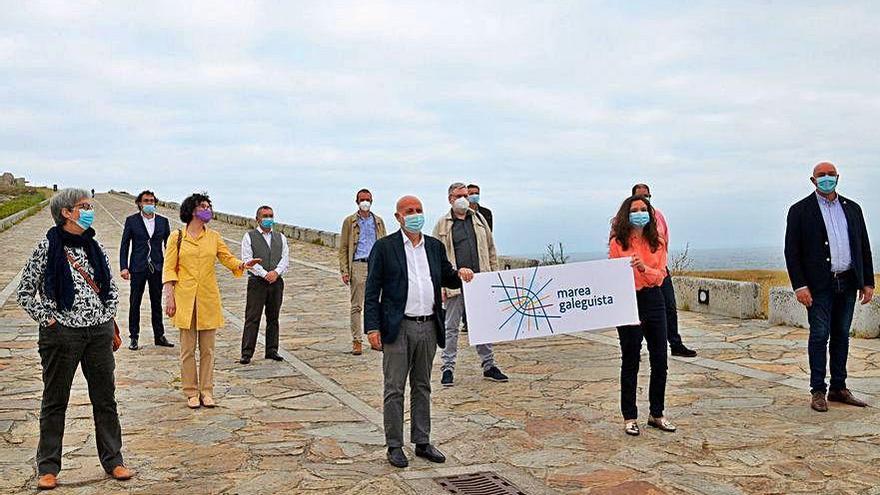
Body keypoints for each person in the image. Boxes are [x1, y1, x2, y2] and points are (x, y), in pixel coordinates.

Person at [17, 188, 132, 490]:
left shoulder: (95, 247)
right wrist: (50, 320)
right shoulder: (48, 246)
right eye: (83, 206)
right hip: (61, 334)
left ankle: (114, 460)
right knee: (55, 401)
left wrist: (107, 317)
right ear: (66, 212)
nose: (89, 209)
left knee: (105, 398)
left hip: (98, 333)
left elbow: (110, 288)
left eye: (89, 205)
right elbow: (25, 292)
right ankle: (48, 467)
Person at [364, 195, 474, 468]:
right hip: (397, 326)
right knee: (394, 388)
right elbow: (371, 290)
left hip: (428, 325)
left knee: (423, 386)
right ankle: (394, 445)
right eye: (409, 211)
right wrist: (372, 327)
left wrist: (461, 273)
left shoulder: (434, 247)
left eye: (419, 210)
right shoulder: (385, 247)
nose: (415, 215)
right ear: (398, 217)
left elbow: (446, 276)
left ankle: (422, 441)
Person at [784, 162, 873, 412]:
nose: (826, 179)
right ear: (813, 181)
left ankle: (839, 387)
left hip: (847, 282)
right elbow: (792, 252)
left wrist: (867, 282)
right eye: (821, 175)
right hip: (818, 286)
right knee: (820, 335)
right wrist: (800, 286)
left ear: (838, 177)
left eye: (830, 175)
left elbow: (862, 246)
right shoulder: (800, 211)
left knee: (842, 335)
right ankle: (818, 390)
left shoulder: (853, 209)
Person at [162, 192, 260, 409]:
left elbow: (226, 257)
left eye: (208, 205)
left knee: (208, 349)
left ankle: (206, 391)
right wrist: (169, 297)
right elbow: (169, 269)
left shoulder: (214, 236)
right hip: (185, 298)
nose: (207, 209)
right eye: (203, 206)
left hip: (207, 298)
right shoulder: (177, 237)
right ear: (192, 210)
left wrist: (243, 265)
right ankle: (190, 392)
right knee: (187, 350)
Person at [609, 194, 676, 436]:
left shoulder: (656, 241)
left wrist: (642, 268)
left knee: (660, 359)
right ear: (626, 214)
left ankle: (657, 413)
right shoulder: (618, 242)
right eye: (635, 209)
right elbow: (614, 274)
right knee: (630, 358)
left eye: (644, 208)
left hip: (653, 298)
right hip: (628, 300)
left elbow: (659, 275)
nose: (640, 212)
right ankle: (629, 416)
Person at [433, 182, 507, 386]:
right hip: (454, 283)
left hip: (480, 282)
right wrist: (440, 286)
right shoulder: (443, 225)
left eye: (466, 195)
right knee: (451, 327)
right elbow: (435, 258)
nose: (464, 199)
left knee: (482, 325)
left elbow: (491, 249)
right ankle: (447, 368)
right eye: (459, 195)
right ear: (450, 199)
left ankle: (489, 365)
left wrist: (494, 276)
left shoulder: (479, 219)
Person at [631, 183, 697, 358]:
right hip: (638, 274)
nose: (644, 199)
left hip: (659, 270)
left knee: (670, 307)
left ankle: (675, 344)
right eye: (640, 196)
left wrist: (659, 265)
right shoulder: (625, 220)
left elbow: (665, 241)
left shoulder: (658, 216)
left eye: (647, 196)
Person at [120, 190, 173, 350]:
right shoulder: (132, 221)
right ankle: (134, 337)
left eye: (152, 201)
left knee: (156, 302)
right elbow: (125, 245)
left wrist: (170, 268)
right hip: (138, 267)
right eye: (146, 201)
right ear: (139, 203)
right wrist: (124, 267)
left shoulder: (163, 222)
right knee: (135, 302)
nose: (149, 203)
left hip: (157, 267)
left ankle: (159, 335)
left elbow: (169, 247)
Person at [339, 188, 387, 355]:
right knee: (357, 305)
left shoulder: (378, 221)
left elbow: (385, 245)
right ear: (357, 201)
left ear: (372, 201)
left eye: (367, 199)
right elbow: (344, 247)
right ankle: (357, 341)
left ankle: (377, 338)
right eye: (362, 199)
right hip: (358, 264)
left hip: (376, 265)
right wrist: (345, 270)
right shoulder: (349, 222)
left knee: (377, 303)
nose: (365, 202)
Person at [240, 205, 290, 364]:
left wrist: (276, 273)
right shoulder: (249, 237)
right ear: (258, 219)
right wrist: (264, 273)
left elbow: (285, 259)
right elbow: (248, 260)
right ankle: (247, 352)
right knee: (252, 317)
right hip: (257, 282)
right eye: (265, 216)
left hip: (276, 281)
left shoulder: (280, 237)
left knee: (273, 317)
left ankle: (272, 350)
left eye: (271, 216)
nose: (269, 219)